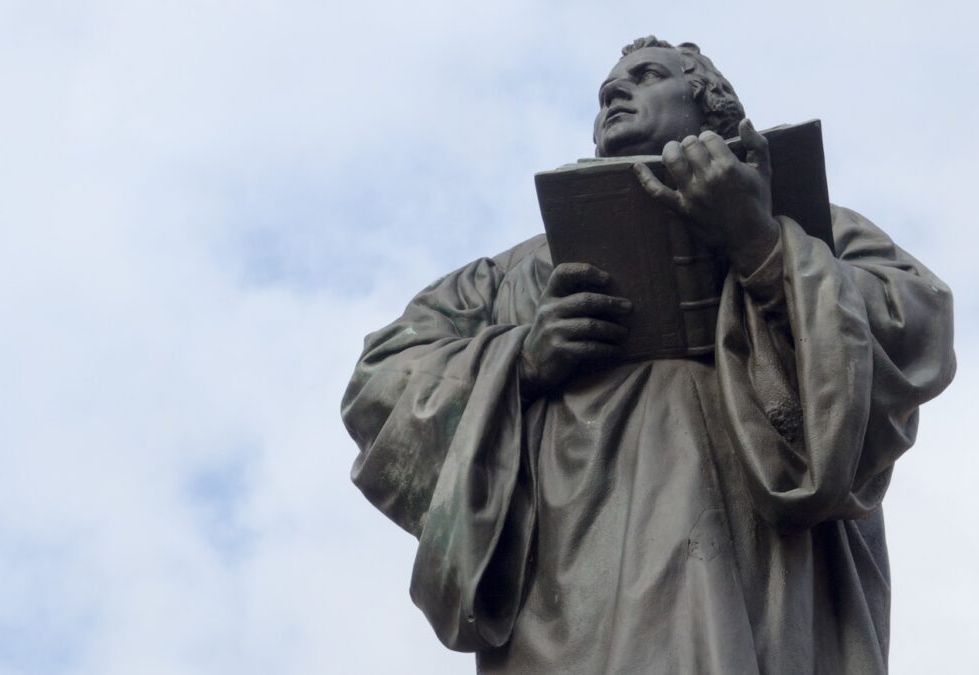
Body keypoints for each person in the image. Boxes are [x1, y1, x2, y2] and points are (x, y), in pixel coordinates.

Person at [341, 36, 956, 674]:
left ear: (710, 107)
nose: (614, 92)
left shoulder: (809, 225)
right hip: (579, 584)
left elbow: (915, 324)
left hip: (766, 574)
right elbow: (381, 380)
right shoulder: (516, 273)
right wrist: (520, 359)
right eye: (609, 87)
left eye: (647, 75)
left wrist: (764, 247)